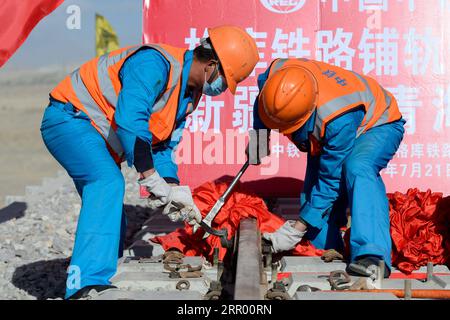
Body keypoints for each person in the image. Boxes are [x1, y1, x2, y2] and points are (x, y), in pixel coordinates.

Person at [40, 25, 259, 299]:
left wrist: (171, 187)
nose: (222, 89)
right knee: (107, 183)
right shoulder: (154, 63)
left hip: (95, 132)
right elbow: (131, 120)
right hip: (70, 119)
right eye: (225, 81)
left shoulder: (189, 96)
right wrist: (149, 175)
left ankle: (105, 270)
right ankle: (85, 284)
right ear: (211, 65)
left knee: (108, 200)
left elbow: (163, 144)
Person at [250, 58, 405, 278]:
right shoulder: (275, 78)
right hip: (333, 126)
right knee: (311, 199)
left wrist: (296, 229)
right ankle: (330, 246)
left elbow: (330, 181)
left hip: (378, 122)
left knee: (357, 168)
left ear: (306, 115)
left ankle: (372, 255)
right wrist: (259, 138)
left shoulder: (336, 119)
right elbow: (263, 103)